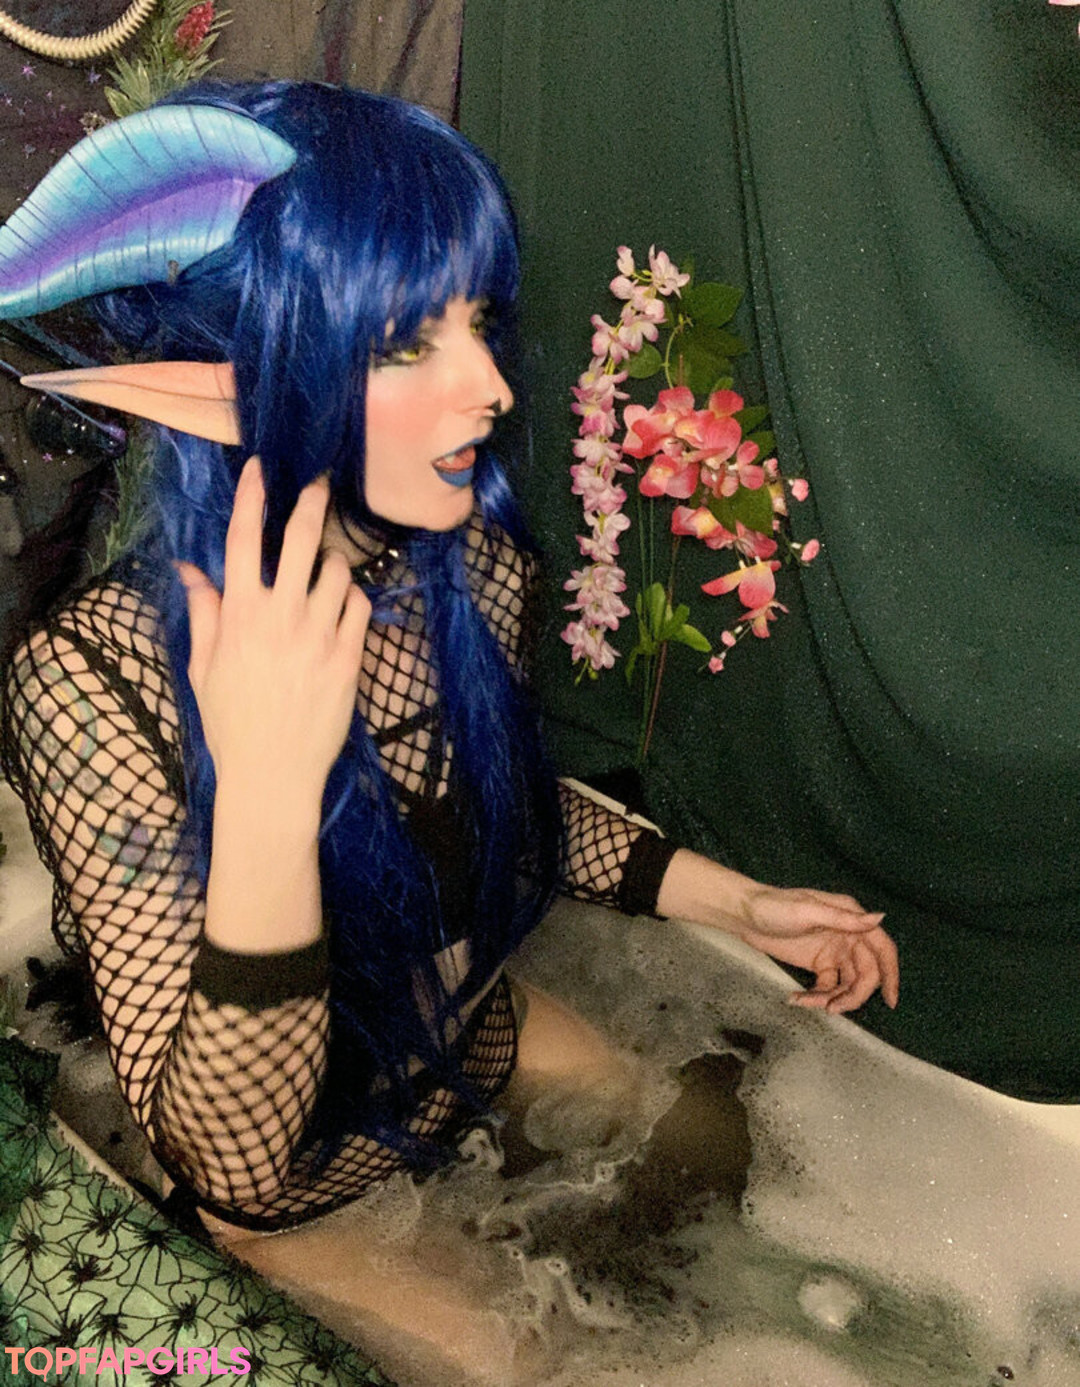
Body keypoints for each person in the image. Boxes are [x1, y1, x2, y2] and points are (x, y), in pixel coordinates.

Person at [0, 80, 898, 1378]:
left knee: (717, 1161)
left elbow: (492, 799)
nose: (488, 387)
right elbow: (239, 1157)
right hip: (300, 1179)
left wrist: (739, 903)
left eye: (477, 323)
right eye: (406, 344)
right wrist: (266, 792)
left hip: (461, 1027)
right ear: (239, 379)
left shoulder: (462, 563)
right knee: (547, 1361)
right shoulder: (94, 682)